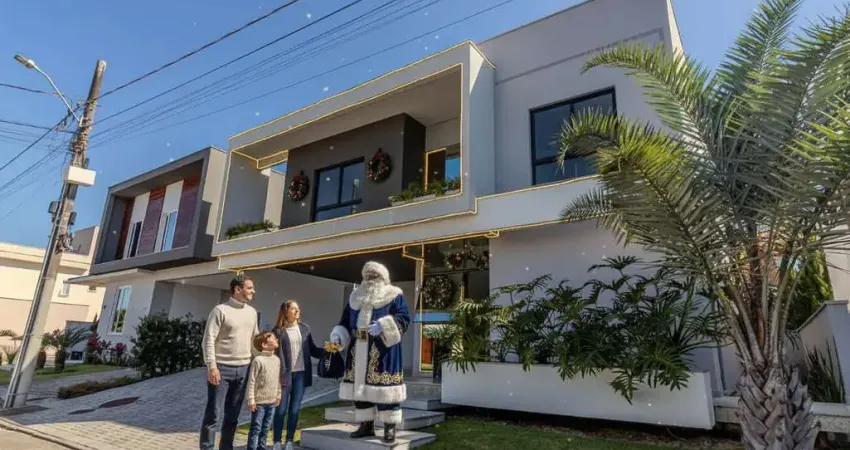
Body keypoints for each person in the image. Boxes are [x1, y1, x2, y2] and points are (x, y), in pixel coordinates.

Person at [330, 261, 411, 443]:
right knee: (361, 390)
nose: (370, 279)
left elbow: (404, 318)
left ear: (383, 277)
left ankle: (390, 427)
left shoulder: (394, 295)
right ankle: (366, 424)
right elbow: (344, 321)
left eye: (374, 276)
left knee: (385, 389)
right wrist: (338, 335)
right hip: (358, 348)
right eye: (367, 276)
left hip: (383, 349)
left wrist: (383, 325)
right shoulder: (355, 297)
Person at [200, 274, 259, 450]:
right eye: (249, 288)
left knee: (232, 417)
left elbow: (254, 340)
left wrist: (264, 358)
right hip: (221, 369)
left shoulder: (252, 312)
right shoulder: (220, 310)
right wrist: (212, 366)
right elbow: (208, 340)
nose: (253, 291)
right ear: (237, 289)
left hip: (243, 369)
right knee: (213, 415)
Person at [272, 300, 324, 450]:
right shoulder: (278, 332)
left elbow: (313, 350)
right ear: (285, 311)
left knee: (294, 410)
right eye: (293, 309)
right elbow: (274, 355)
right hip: (284, 377)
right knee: (281, 410)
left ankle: (289, 440)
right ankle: (276, 441)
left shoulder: (304, 329)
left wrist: (328, 351)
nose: (297, 311)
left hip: (300, 376)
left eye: (298, 309)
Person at [246, 332, 281, 450]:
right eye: (272, 337)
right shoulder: (258, 360)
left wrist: (278, 394)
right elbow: (252, 381)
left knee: (266, 428)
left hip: (272, 401)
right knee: (256, 427)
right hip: (259, 402)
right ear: (264, 345)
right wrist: (251, 399)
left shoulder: (276, 360)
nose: (276, 338)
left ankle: (262, 447)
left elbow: (278, 379)